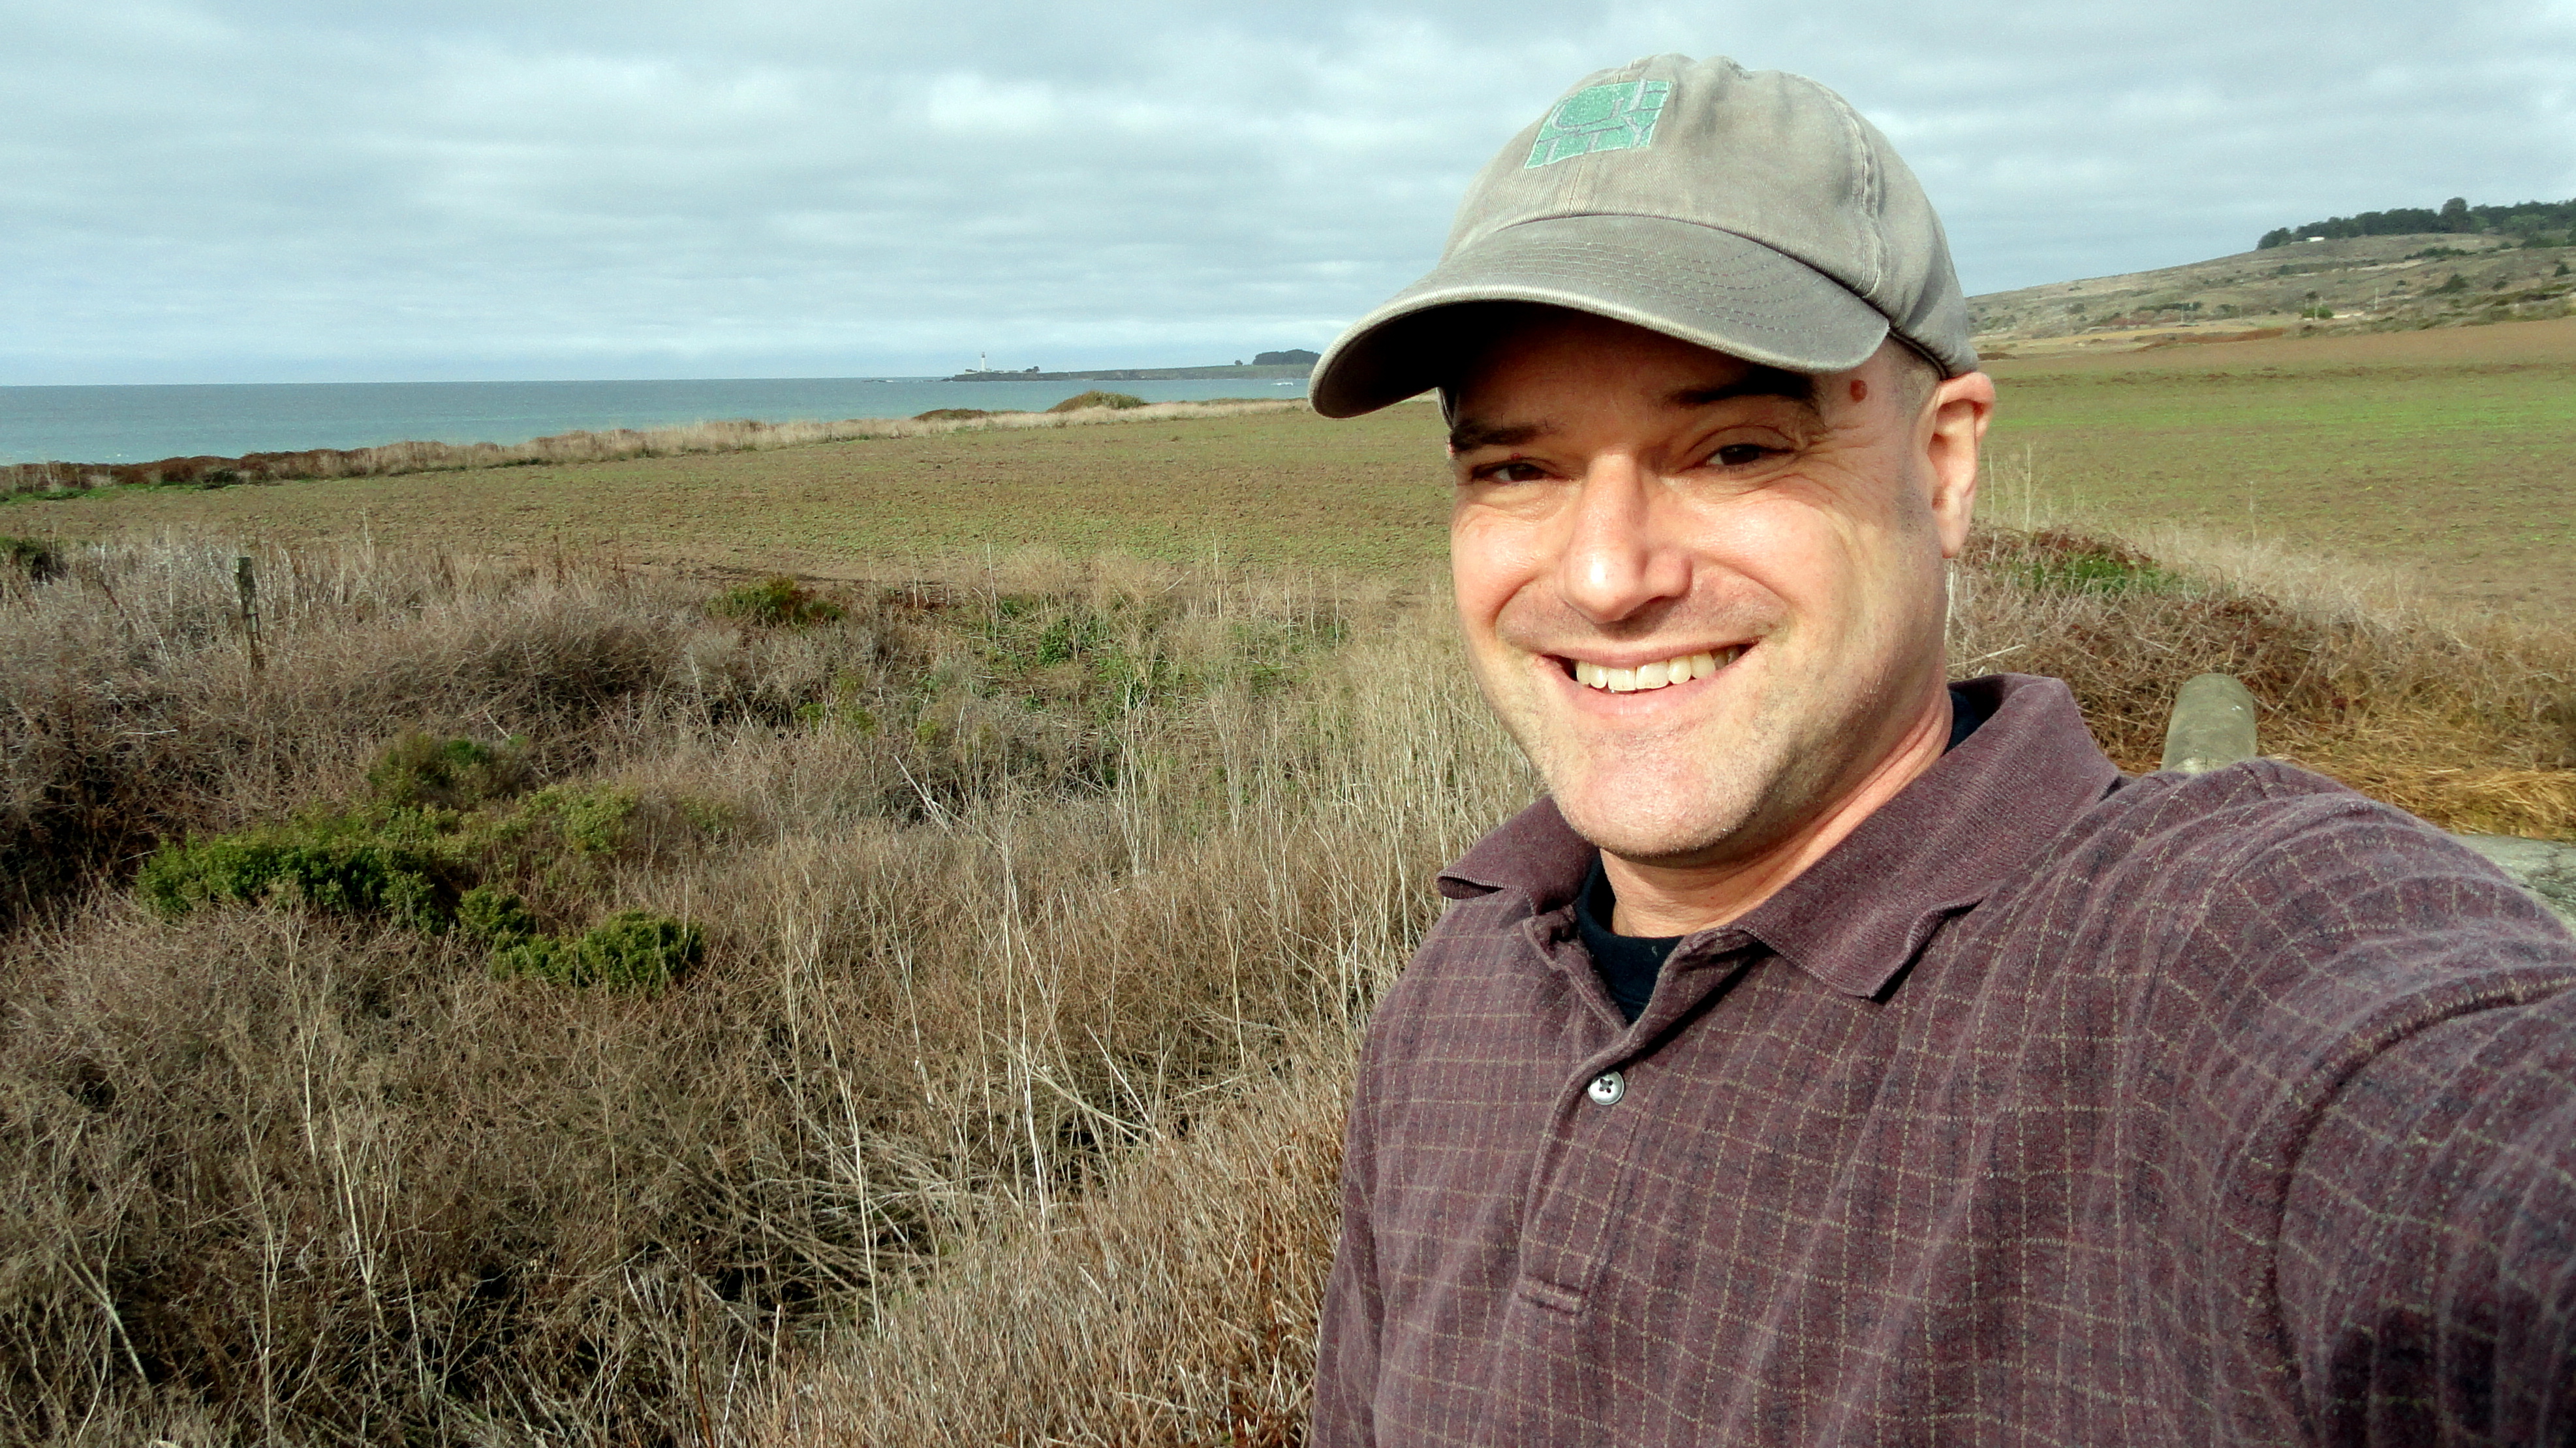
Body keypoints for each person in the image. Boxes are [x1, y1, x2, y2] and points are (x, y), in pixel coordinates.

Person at [1304, 54, 2576, 1447]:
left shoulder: (2188, 960)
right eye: (1517, 469)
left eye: (1734, 448)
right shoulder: (1455, 996)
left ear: (1948, 464)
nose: (1608, 574)